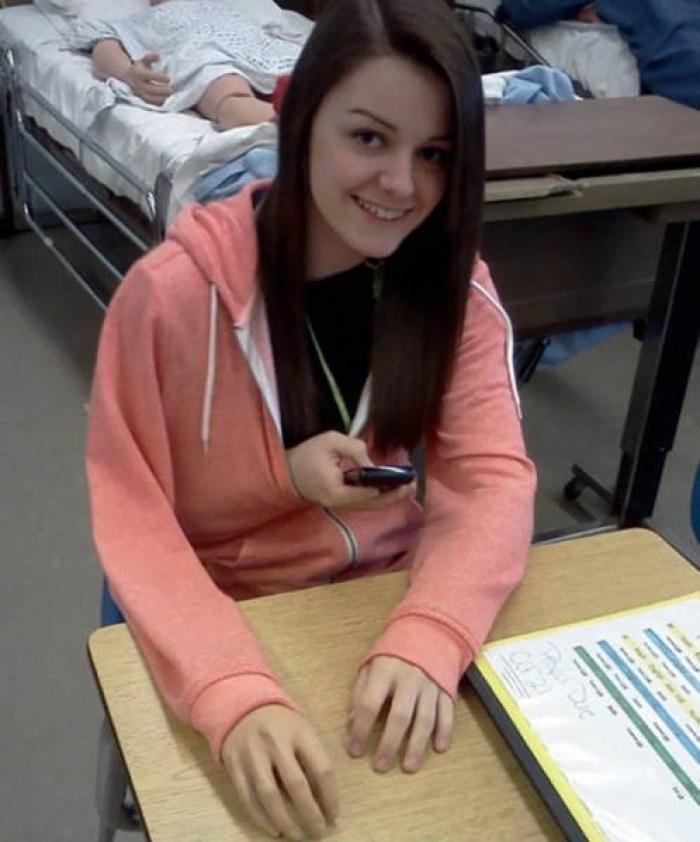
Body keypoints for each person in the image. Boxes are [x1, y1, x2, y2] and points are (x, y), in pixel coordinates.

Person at [86, 0, 537, 838]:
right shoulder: (170, 297)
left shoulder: (453, 287)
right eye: (368, 138)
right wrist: (232, 689)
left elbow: (491, 479)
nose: (402, 184)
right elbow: (135, 517)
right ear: (299, 122)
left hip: (377, 602)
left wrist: (431, 630)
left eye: (434, 155)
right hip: (220, 612)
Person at [67, 0, 313, 129]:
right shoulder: (136, 20)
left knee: (308, 75)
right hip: (206, 56)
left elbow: (270, 28)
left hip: (262, 52)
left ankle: (315, 113)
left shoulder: (227, 7)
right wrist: (129, 75)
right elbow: (104, 50)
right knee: (227, 94)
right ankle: (303, 127)